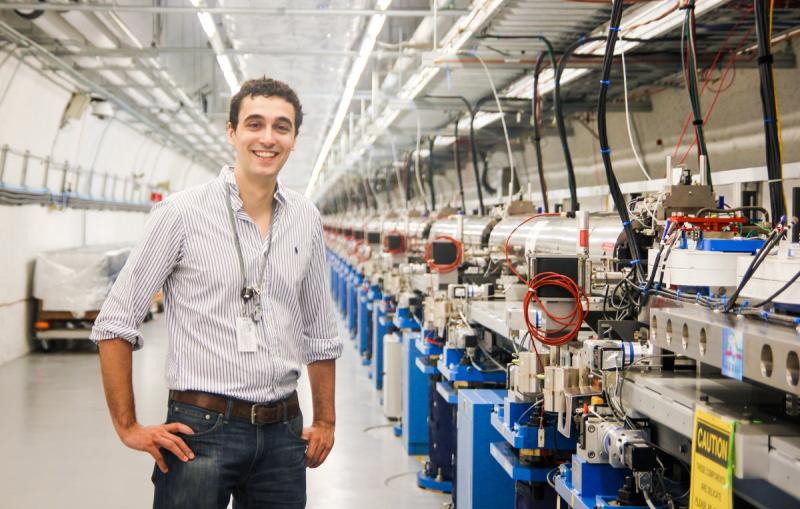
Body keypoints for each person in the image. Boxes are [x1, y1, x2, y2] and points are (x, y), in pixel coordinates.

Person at [91, 77, 342, 508]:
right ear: (232, 132)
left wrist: (326, 420)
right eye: (254, 124)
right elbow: (115, 321)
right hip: (201, 429)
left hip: (284, 431)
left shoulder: (305, 217)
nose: (267, 137)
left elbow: (319, 330)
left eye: (281, 127)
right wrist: (128, 426)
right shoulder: (181, 214)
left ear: (295, 139)